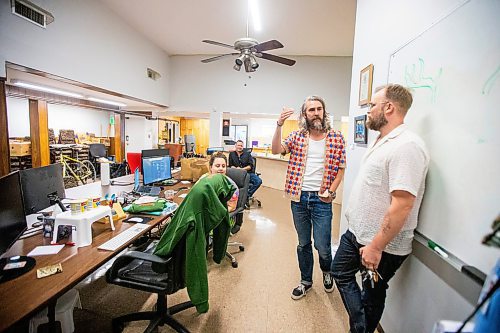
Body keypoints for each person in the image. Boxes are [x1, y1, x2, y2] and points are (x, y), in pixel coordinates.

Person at [332, 84, 430, 333]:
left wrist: (376, 246)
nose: (368, 110)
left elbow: (403, 203)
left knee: (372, 293)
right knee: (340, 271)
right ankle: (362, 327)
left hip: (381, 243)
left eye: (372, 105)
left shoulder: (407, 146)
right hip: (357, 233)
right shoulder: (383, 140)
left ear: (389, 107)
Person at [271, 95, 346, 300]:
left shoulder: (336, 137)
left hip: (322, 200)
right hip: (299, 198)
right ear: (305, 114)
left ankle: (326, 270)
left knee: (322, 246)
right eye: (311, 110)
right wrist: (279, 125)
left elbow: (341, 169)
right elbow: (276, 150)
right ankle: (306, 281)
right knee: (303, 243)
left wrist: (331, 191)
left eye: (319, 109)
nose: (315, 113)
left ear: (324, 112)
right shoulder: (297, 136)